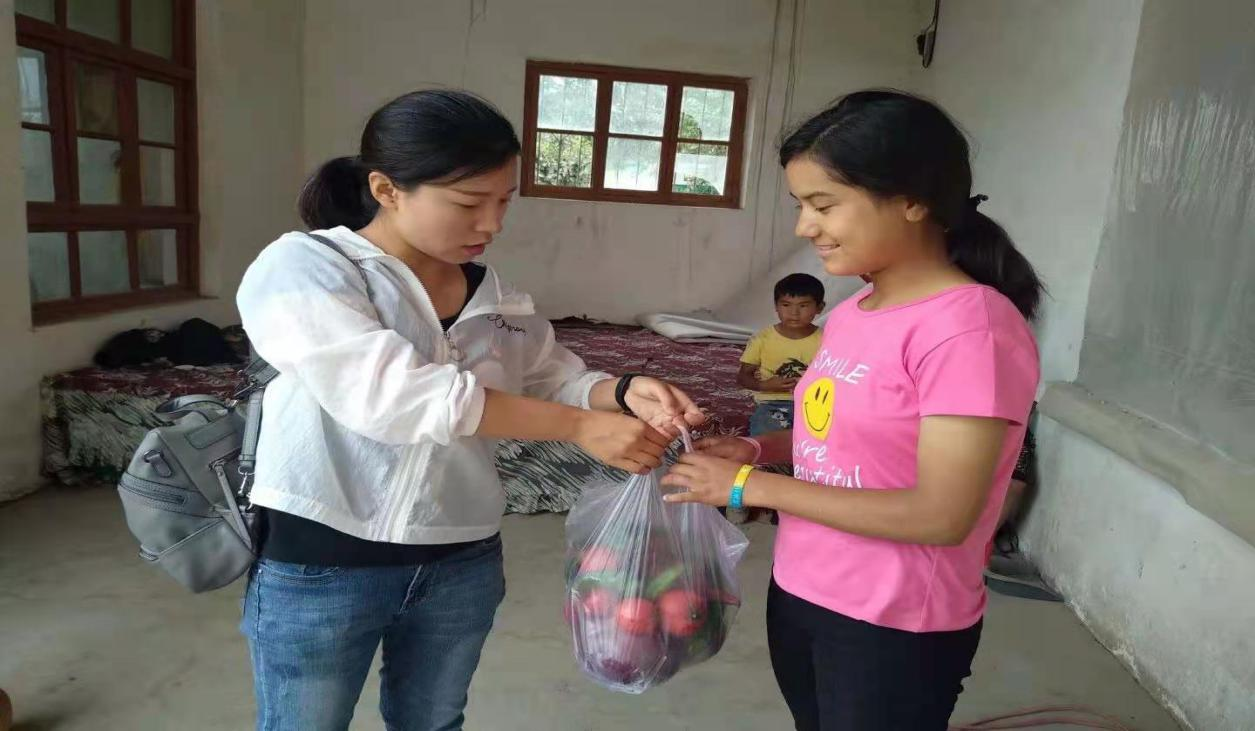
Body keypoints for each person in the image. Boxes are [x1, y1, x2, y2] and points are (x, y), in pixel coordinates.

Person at [235, 89, 704, 731]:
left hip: (459, 559)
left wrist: (622, 391)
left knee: (434, 722)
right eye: (468, 203)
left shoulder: (495, 296)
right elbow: (393, 396)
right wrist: (580, 427)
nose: (492, 224)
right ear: (387, 189)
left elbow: (552, 374)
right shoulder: (308, 267)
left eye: (504, 201)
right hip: (322, 554)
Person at [663, 89, 1043, 731]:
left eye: (823, 205)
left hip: (894, 620)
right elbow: (838, 434)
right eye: (800, 205)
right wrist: (755, 449)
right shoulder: (849, 315)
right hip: (804, 586)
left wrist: (748, 486)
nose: (804, 227)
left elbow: (941, 515)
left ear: (913, 198)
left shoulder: (969, 329)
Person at [736, 273, 826, 437]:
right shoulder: (762, 339)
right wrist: (765, 385)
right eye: (786, 305)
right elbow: (743, 377)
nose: (794, 313)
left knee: (831, 432)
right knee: (765, 432)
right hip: (773, 402)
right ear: (776, 306)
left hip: (816, 402)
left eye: (803, 305)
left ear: (819, 307)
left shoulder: (827, 339)